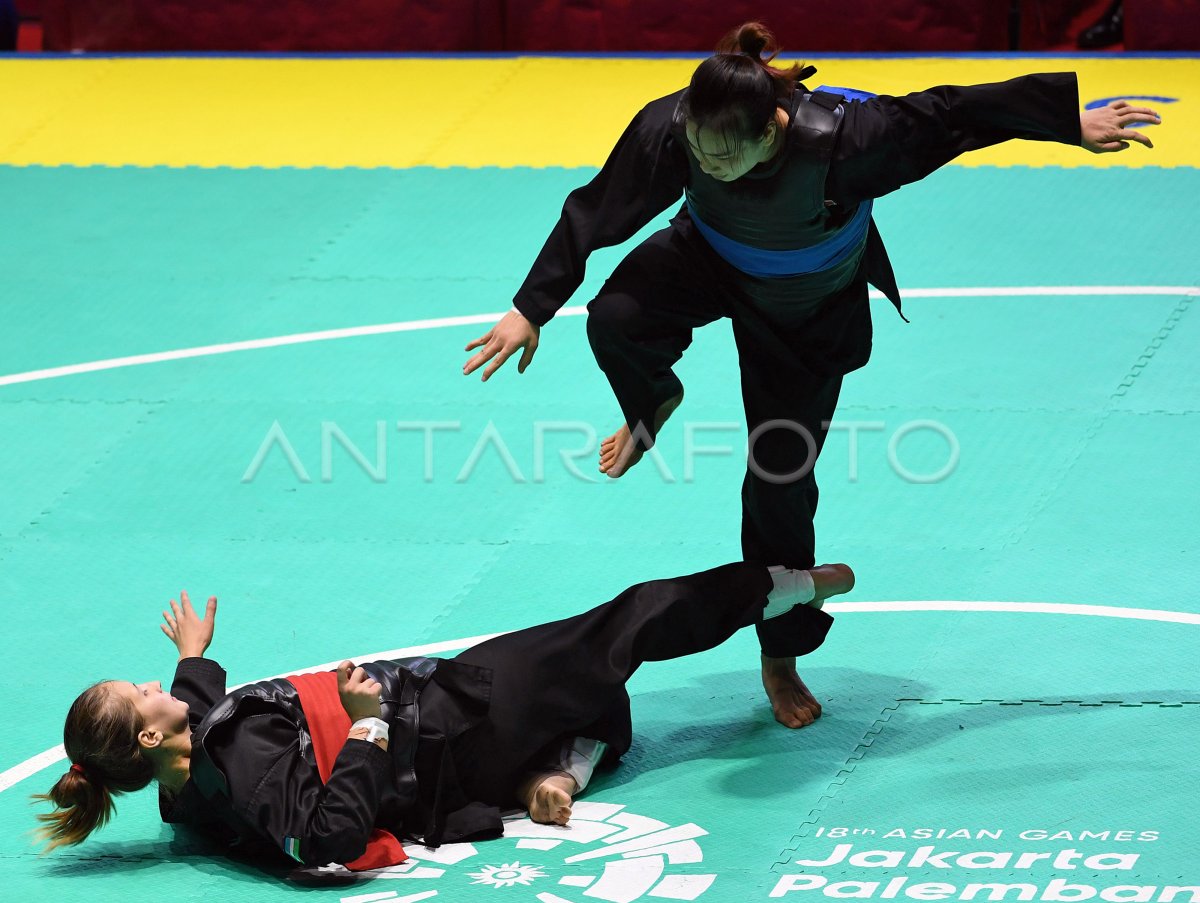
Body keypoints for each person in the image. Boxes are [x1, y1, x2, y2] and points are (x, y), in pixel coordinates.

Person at [460, 22, 1161, 730]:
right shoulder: (676, 127)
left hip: (806, 312)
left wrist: (1066, 124)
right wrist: (530, 306)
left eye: (727, 155)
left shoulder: (853, 141)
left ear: (773, 128)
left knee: (779, 481)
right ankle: (653, 401)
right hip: (706, 260)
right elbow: (599, 206)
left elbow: (955, 114)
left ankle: (781, 652)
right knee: (614, 318)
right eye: (700, 151)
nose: (710, 163)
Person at [35, 561, 855, 868]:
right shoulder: (242, 768)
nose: (155, 682)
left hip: (451, 768)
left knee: (610, 710)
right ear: (148, 734)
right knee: (627, 625)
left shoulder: (183, 786)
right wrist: (362, 721)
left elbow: (210, 716)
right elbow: (321, 838)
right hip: (455, 712)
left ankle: (550, 774)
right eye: (144, 690)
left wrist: (191, 657)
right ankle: (781, 588)